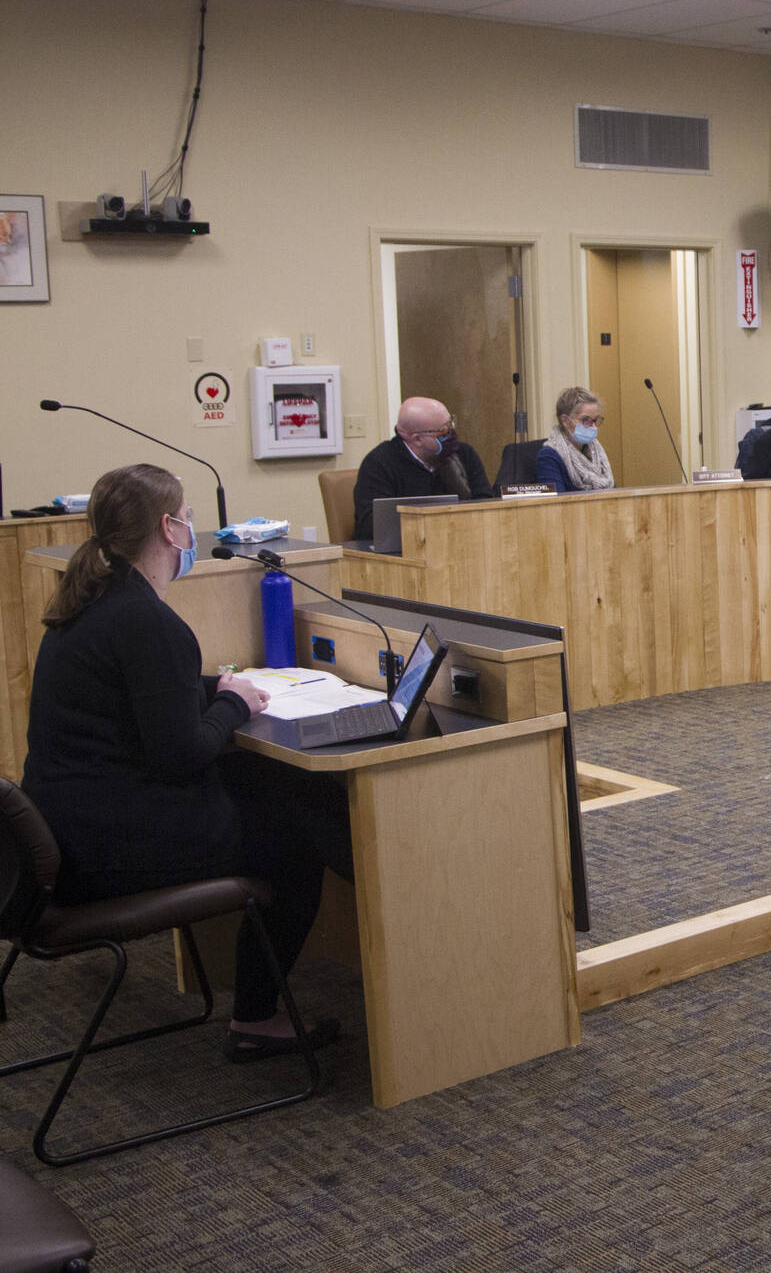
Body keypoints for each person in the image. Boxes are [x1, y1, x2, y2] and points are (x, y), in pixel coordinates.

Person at [22, 464, 353, 1061]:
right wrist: (230, 701)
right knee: (294, 839)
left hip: (64, 831)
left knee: (259, 779)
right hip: (105, 852)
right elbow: (182, 756)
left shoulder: (92, 602)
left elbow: (133, 697)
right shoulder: (149, 621)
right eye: (189, 519)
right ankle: (258, 1018)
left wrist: (210, 690)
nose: (194, 530)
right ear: (170, 529)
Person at [351, 395, 490, 538]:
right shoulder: (379, 463)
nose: (451, 433)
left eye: (451, 424)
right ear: (417, 439)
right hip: (403, 550)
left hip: (462, 541)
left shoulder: (464, 454)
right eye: (443, 430)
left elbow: (485, 504)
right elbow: (372, 525)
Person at [535, 386, 614, 494]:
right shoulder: (548, 457)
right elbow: (555, 505)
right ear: (566, 421)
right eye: (586, 420)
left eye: (595, 420)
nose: (593, 427)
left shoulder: (596, 452)